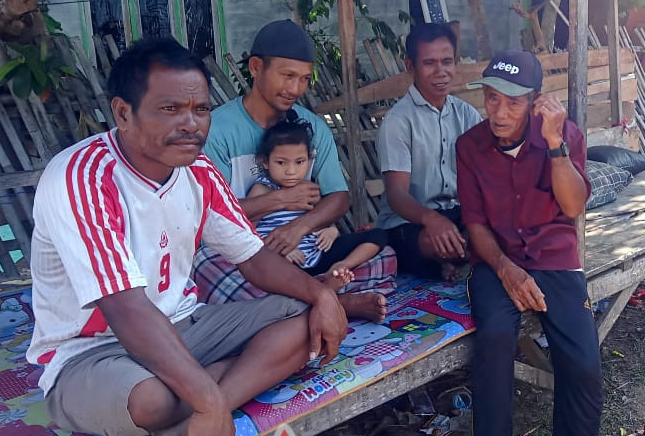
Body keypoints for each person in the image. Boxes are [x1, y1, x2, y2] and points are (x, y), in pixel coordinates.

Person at [26, 39, 347, 436]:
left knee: (303, 317)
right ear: (123, 113)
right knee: (154, 401)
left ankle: (187, 420)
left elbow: (253, 259)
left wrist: (321, 294)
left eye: (200, 108)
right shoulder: (83, 177)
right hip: (92, 351)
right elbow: (126, 309)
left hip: (184, 325)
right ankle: (212, 390)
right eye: (171, 109)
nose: (190, 124)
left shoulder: (199, 172)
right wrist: (211, 401)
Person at [456, 51, 639, 436]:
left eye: (512, 102)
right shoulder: (470, 146)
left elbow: (574, 205)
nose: (498, 112)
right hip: (497, 259)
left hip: (555, 256)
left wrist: (556, 144)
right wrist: (505, 268)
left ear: (536, 102)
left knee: (581, 360)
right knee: (494, 338)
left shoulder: (565, 134)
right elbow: (474, 223)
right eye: (491, 99)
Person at [198, 19, 394, 321]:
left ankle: (300, 304)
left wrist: (298, 228)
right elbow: (209, 216)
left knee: (385, 255)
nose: (295, 88)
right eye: (287, 75)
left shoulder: (311, 127)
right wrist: (280, 201)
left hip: (303, 250)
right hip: (246, 255)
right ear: (255, 67)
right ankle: (337, 304)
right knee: (207, 266)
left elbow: (338, 197)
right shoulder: (217, 130)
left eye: (303, 79)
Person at [376, 23, 482, 280]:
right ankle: (448, 259)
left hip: (458, 215)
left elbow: (485, 178)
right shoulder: (398, 121)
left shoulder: (467, 115)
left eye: (447, 61)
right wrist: (431, 219)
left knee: (493, 231)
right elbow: (396, 194)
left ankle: (449, 260)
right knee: (431, 242)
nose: (440, 71)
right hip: (411, 221)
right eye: (429, 63)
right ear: (410, 66)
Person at [248, 115, 388, 288]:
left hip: (317, 256)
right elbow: (248, 232)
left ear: (309, 159)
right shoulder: (262, 189)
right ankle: (324, 289)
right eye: (281, 163)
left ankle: (341, 268)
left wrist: (331, 231)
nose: (291, 171)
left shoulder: (308, 189)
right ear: (265, 162)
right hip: (285, 263)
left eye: (299, 162)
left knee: (378, 235)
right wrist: (279, 252)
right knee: (266, 276)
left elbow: (318, 220)